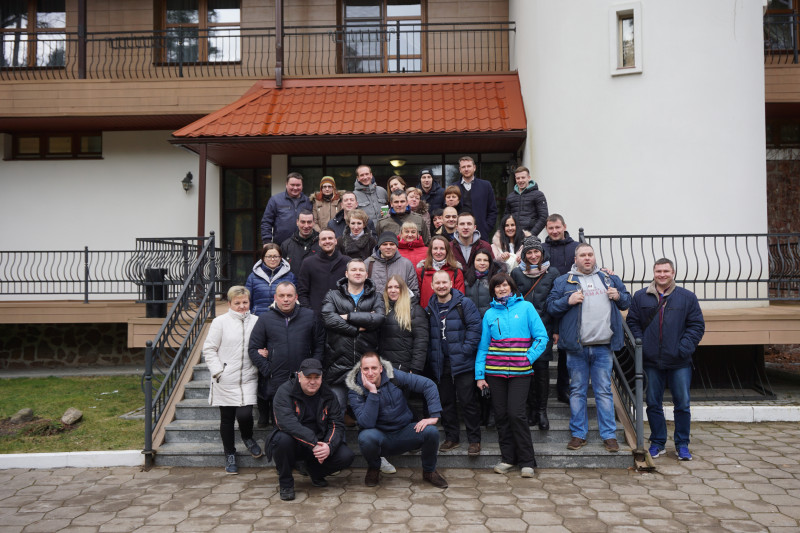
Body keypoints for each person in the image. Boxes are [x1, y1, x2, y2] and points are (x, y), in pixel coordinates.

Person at [546, 243, 631, 453]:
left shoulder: (609, 278)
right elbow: (551, 307)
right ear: (575, 259)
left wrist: (618, 296)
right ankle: (578, 434)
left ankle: (609, 436)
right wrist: (568, 300)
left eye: (590, 254)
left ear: (594, 257)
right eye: (582, 255)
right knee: (577, 391)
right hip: (577, 348)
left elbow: (626, 301)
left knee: (603, 392)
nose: (587, 258)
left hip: (603, 347)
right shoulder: (563, 281)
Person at [626, 258, 705, 461]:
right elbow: (633, 323)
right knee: (653, 403)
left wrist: (683, 348)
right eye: (658, 271)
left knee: (682, 404)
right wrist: (643, 345)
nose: (662, 274)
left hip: (679, 361)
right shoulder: (641, 296)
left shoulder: (687, 297)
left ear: (673, 273)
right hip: (652, 361)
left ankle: (682, 444)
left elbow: (696, 325)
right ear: (653, 273)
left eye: (666, 271)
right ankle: (658, 442)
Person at [476, 273, 548, 478]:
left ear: (512, 287)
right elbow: (483, 347)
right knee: (501, 416)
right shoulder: (490, 314)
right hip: (494, 373)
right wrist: (480, 376)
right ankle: (508, 458)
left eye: (505, 285)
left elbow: (541, 337)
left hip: (520, 373)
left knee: (516, 414)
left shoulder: (526, 308)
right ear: (493, 291)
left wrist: (528, 358)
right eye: (497, 286)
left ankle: (527, 461)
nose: (502, 289)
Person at [346, 352, 449, 489]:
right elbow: (366, 423)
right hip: (379, 436)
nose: (370, 373)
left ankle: (429, 471)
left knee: (431, 432)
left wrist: (434, 416)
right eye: (366, 369)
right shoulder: (355, 390)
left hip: (404, 431)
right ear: (361, 370)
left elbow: (428, 385)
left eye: (374, 368)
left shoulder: (393, 376)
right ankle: (374, 468)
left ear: (381, 368)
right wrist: (373, 392)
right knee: (365, 437)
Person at [266, 358, 355, 501]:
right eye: (308, 377)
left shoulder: (328, 394)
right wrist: (313, 443)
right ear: (299, 376)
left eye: (316, 377)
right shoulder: (285, 391)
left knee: (346, 455)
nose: (312, 382)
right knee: (281, 440)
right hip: (294, 443)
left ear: (321, 377)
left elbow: (336, 424)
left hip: (318, 442)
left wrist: (328, 446)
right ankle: (286, 484)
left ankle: (315, 472)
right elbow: (286, 423)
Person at [248, 281, 325, 432]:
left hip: (303, 379)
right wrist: (268, 369)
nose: (285, 299)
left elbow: (320, 345)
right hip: (276, 380)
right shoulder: (265, 319)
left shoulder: (310, 316)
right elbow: (253, 349)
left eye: (289, 295)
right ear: (275, 297)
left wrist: (312, 370)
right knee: (280, 426)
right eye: (282, 295)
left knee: (304, 422)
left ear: (296, 297)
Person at [202, 285, 262, 475]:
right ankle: (229, 454)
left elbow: (263, 344)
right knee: (227, 419)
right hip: (225, 378)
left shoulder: (257, 321)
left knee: (245, 414)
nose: (242, 306)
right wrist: (218, 371)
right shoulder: (220, 322)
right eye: (237, 303)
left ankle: (247, 437)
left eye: (245, 302)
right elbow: (209, 349)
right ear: (229, 304)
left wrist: (264, 354)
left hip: (249, 377)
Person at [425, 270, 483, 456]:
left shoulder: (464, 304)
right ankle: (452, 438)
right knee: (446, 402)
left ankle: (474, 440)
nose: (441, 286)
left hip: (463, 362)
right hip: (440, 363)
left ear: (451, 284)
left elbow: (475, 328)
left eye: (444, 282)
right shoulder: (429, 308)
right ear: (432, 286)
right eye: (437, 283)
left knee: (468, 401)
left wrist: (465, 351)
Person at [320, 259, 385, 411]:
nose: (357, 273)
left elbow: (379, 318)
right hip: (337, 364)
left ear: (366, 274)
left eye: (361, 270)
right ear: (346, 273)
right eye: (354, 270)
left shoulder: (376, 297)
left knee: (367, 412)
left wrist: (348, 316)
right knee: (337, 411)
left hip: (366, 367)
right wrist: (356, 329)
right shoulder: (333, 295)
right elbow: (328, 318)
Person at [511, 236, 560, 430]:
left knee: (541, 371)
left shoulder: (552, 273)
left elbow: (556, 301)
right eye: (529, 252)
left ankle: (541, 411)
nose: (533, 256)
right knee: (526, 370)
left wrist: (556, 329)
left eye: (536, 252)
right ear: (524, 255)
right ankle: (531, 410)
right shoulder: (516, 273)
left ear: (542, 252)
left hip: (544, 328)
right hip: (522, 330)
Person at [541, 213, 580, 404]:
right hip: (546, 304)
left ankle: (563, 389)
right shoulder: (541, 249)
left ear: (564, 226)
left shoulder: (576, 247)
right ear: (546, 229)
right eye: (551, 228)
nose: (554, 231)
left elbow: (588, 265)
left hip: (569, 303)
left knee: (565, 351)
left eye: (557, 227)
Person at [380, 275, 429, 375]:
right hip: (385, 368)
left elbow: (421, 341)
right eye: (390, 287)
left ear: (403, 289)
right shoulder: (382, 309)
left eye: (397, 287)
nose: (393, 290)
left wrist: (415, 368)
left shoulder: (415, 310)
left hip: (406, 369)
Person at [297, 229, 351, 317]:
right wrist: (309, 312)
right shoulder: (308, 263)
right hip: (316, 316)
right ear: (319, 243)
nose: (327, 241)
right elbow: (302, 292)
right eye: (324, 239)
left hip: (342, 316)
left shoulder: (347, 262)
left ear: (335, 241)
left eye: (330, 238)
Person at [261, 172, 313, 245]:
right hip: (281, 245)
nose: (295, 188)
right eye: (292, 185)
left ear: (302, 186)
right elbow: (266, 222)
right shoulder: (275, 200)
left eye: (298, 185)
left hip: (304, 245)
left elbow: (314, 222)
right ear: (286, 184)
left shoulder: (308, 201)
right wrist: (266, 241)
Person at [245, 244, 296, 317]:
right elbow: (247, 300)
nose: (272, 259)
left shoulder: (290, 276)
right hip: (258, 318)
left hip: (282, 318)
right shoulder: (253, 277)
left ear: (280, 258)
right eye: (269, 256)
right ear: (263, 258)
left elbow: (295, 300)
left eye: (275, 256)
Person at [364, 232, 419, 297]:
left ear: (397, 247)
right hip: (375, 303)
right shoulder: (368, 263)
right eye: (384, 244)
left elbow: (414, 291)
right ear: (379, 247)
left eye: (392, 244)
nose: (388, 247)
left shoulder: (406, 264)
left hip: (400, 303)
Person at [416, 235, 465, 309]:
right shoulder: (422, 271)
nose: (438, 252)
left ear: (447, 250)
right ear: (431, 250)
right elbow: (417, 296)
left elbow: (460, 297)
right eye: (435, 248)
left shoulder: (456, 271)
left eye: (442, 248)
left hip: (450, 313)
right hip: (427, 312)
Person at [457, 156, 497, 243]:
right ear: (460, 169)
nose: (466, 169)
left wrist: (486, 227)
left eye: (469, 166)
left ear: (474, 168)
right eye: (463, 167)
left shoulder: (485, 186)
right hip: (459, 235)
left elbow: (492, 210)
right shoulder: (454, 187)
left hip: (482, 234)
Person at [505, 166, 549, 237]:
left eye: (523, 177)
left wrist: (531, 234)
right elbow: (506, 218)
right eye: (518, 178)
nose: (520, 180)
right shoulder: (510, 197)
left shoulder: (538, 195)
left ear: (529, 178)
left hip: (531, 237)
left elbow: (543, 217)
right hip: (514, 237)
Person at [463, 249, 504, 317]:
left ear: (489, 262)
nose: (482, 263)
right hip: (470, 319)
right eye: (478, 260)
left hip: (490, 318)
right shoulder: (466, 278)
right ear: (473, 261)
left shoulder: (496, 278)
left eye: (485, 260)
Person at [281, 210, 319, 276]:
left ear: (314, 223)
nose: (306, 226)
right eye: (303, 222)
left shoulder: (322, 244)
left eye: (309, 222)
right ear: (297, 222)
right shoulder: (286, 245)